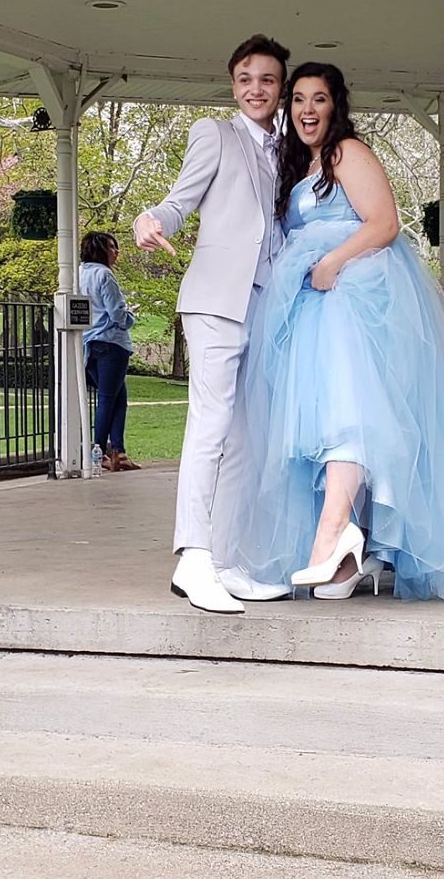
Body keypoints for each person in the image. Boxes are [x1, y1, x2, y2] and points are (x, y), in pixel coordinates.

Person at [220, 63, 444, 605]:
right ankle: (346, 551)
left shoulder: (347, 152)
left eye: (319, 99)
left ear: (336, 105)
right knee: (318, 425)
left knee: (348, 413)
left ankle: (333, 536)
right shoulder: (296, 166)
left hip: (351, 296)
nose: (307, 110)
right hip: (306, 303)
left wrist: (332, 263)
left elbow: (384, 222)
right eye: (299, 99)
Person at [134, 34, 292, 614]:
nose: (256, 89)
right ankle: (193, 556)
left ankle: (226, 560)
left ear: (281, 88)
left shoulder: (294, 146)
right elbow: (180, 200)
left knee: (250, 438)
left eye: (268, 80)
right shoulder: (215, 135)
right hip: (215, 299)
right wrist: (149, 220)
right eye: (246, 78)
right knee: (212, 425)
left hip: (269, 304)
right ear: (233, 85)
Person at [79, 231, 141, 473]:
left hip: (88, 343)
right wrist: (130, 318)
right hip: (111, 345)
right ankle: (100, 453)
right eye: (113, 247)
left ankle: (119, 452)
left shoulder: (79, 273)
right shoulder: (105, 275)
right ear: (101, 250)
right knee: (107, 399)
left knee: (118, 398)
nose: (117, 252)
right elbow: (117, 314)